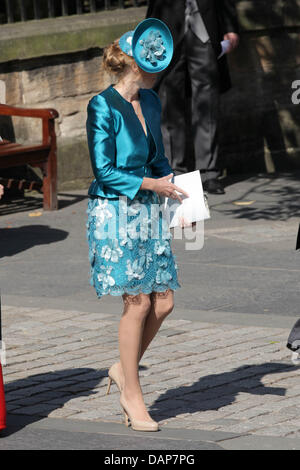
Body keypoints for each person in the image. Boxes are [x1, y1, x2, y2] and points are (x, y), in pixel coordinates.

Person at [86, 19, 188, 432]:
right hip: (114, 211)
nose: (161, 69)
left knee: (164, 301)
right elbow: (104, 170)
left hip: (148, 208)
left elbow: (157, 158)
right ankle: (133, 394)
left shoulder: (151, 101)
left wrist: (182, 191)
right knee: (139, 303)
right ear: (135, 64)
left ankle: (121, 369)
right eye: (155, 63)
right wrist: (150, 183)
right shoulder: (102, 106)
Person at [146, 0, 240, 194]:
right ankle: (173, 170)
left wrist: (230, 26)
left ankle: (209, 172)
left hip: (205, 25)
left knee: (208, 102)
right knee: (169, 100)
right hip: (167, 28)